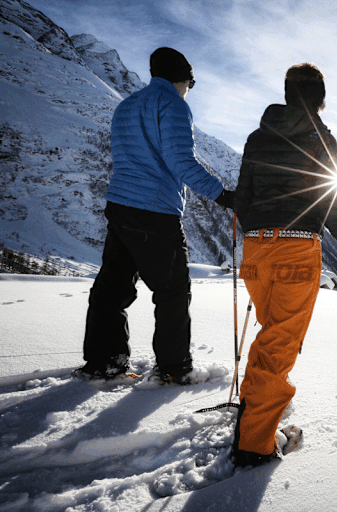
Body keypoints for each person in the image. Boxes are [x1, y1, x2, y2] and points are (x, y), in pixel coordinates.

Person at [230, 63, 337, 466]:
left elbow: (243, 200)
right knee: (279, 345)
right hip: (296, 251)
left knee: (271, 335)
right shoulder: (323, 140)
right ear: (321, 99)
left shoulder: (258, 137)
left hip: (256, 251)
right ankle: (255, 443)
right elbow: (330, 208)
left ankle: (252, 412)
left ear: (288, 93)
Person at [74, 47, 235, 384]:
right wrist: (223, 195)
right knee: (173, 291)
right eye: (191, 83)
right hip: (154, 212)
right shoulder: (173, 105)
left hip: (120, 207)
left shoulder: (126, 106)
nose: (189, 90)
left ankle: (105, 361)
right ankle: (175, 368)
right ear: (183, 78)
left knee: (111, 289)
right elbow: (181, 162)